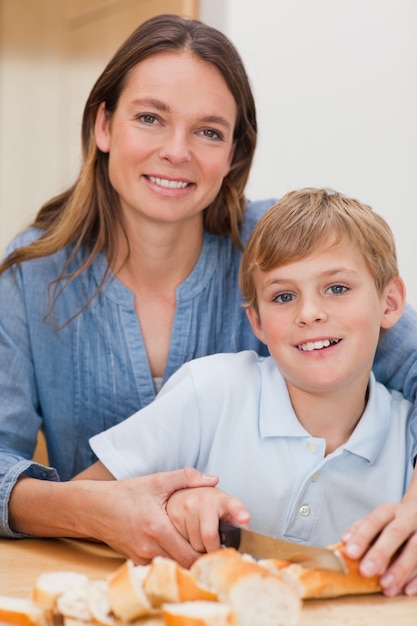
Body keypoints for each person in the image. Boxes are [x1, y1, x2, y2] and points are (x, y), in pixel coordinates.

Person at [0, 13, 416, 590]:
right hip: (88, 580)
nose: (177, 151)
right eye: (150, 118)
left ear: (234, 153)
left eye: (209, 131)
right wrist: (98, 509)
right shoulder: (29, 274)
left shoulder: (284, 255)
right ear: (103, 125)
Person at [83, 188, 416, 596]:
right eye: (284, 296)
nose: (309, 312)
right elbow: (80, 502)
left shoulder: (407, 441)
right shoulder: (209, 393)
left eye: (337, 288)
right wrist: (168, 509)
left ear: (390, 302)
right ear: (257, 322)